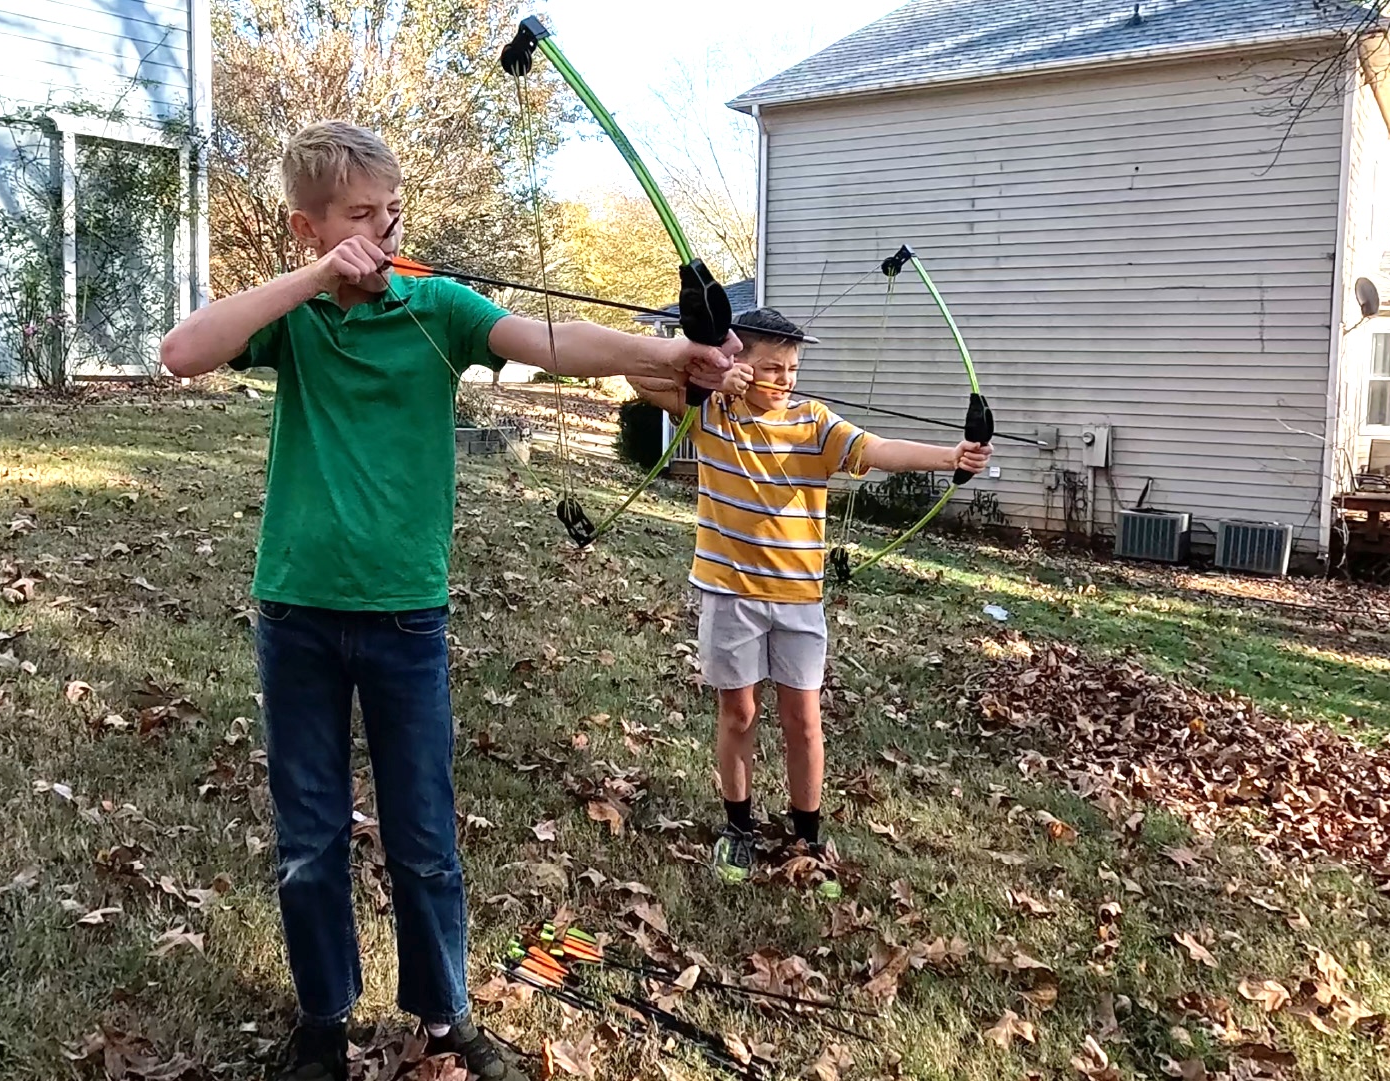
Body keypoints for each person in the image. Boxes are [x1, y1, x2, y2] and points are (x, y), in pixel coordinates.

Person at [159, 120, 737, 1081]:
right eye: (358, 217)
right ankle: (322, 1021)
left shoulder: (437, 307)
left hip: (404, 616)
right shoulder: (292, 320)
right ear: (308, 227)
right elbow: (181, 351)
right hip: (297, 611)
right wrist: (315, 278)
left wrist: (668, 353)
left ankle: (443, 1015)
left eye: (390, 213)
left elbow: (545, 341)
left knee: (423, 834)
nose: (383, 232)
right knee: (309, 840)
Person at [627, 307, 991, 889]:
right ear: (739, 362)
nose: (785, 378)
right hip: (730, 595)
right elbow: (637, 375)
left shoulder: (815, 423)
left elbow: (875, 448)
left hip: (798, 600)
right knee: (739, 712)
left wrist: (950, 456)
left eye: (792, 367)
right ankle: (739, 828)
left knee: (804, 720)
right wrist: (711, 374)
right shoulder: (709, 411)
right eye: (771, 367)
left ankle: (807, 836)